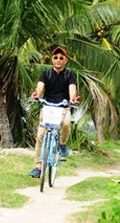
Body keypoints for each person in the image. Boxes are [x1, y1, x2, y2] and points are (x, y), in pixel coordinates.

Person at [27, 45, 80, 178]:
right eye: (55, 57)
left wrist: (73, 98)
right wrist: (37, 94)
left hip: (63, 107)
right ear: (52, 59)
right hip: (48, 107)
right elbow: (40, 87)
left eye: (61, 58)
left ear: (65, 60)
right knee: (40, 137)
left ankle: (62, 144)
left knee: (66, 124)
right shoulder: (46, 73)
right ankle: (38, 167)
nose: (58, 60)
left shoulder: (70, 74)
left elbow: (72, 88)